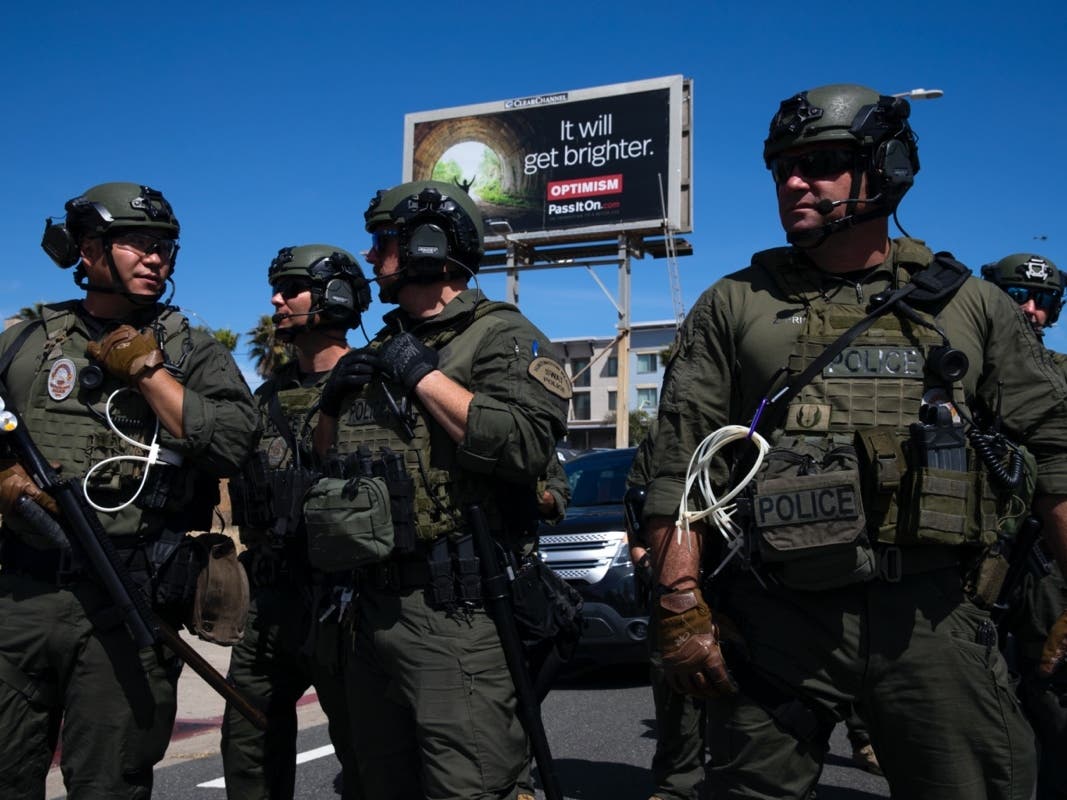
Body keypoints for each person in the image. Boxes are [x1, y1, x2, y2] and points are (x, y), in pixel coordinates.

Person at [641, 84, 1067, 800]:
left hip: (931, 617)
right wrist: (678, 602)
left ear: (886, 167)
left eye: (821, 163)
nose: (794, 182)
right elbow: (679, 465)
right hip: (775, 614)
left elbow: (1055, 448)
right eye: (782, 169)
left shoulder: (970, 304)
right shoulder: (734, 302)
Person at [0, 182, 259, 799]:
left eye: (165, 248)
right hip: (20, 596)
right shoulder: (26, 338)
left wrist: (148, 371)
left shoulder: (189, 347)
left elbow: (232, 446)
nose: (157, 259)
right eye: (138, 244)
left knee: (109, 784)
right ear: (88, 250)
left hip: (127, 599)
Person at [313, 180, 570, 800]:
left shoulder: (503, 336)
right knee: (378, 785)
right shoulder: (380, 346)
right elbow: (323, 462)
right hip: (369, 609)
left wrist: (422, 376)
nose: (371, 258)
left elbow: (523, 444)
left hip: (457, 614)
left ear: (430, 243)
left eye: (384, 242)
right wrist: (331, 401)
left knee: (472, 787)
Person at [221, 245, 372, 800]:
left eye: (290, 288)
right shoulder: (262, 401)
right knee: (248, 749)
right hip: (268, 601)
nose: (275, 300)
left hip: (347, 604)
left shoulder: (375, 389)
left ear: (333, 295)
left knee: (363, 753)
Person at [982, 252, 1067, 800]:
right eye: (1017, 298)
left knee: (1055, 708)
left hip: (1045, 569)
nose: (1032, 311)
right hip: (966, 566)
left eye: (1045, 302)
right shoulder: (956, 375)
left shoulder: (1062, 377)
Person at [627, 420, 708, 800]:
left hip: (739, 571)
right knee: (676, 679)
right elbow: (635, 500)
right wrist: (641, 556)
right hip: (671, 573)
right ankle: (678, 784)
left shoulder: (749, 423)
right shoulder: (663, 436)